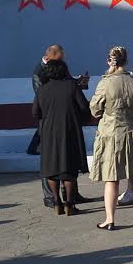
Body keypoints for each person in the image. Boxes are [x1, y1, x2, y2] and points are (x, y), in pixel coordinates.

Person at [89, 46, 133, 230]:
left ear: (110, 61)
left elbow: (95, 110)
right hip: (132, 133)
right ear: (126, 61)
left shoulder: (105, 83)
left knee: (112, 178)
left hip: (111, 134)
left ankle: (110, 219)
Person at [33, 58, 90, 216]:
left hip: (49, 132)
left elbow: (35, 113)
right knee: (69, 168)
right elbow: (84, 107)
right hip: (69, 130)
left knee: (52, 169)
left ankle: (57, 202)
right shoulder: (71, 86)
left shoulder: (42, 90)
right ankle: (69, 204)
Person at [27, 44, 65, 155]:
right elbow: (39, 91)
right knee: (43, 125)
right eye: (60, 58)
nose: (62, 61)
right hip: (47, 103)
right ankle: (33, 148)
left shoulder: (56, 66)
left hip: (55, 100)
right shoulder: (39, 71)